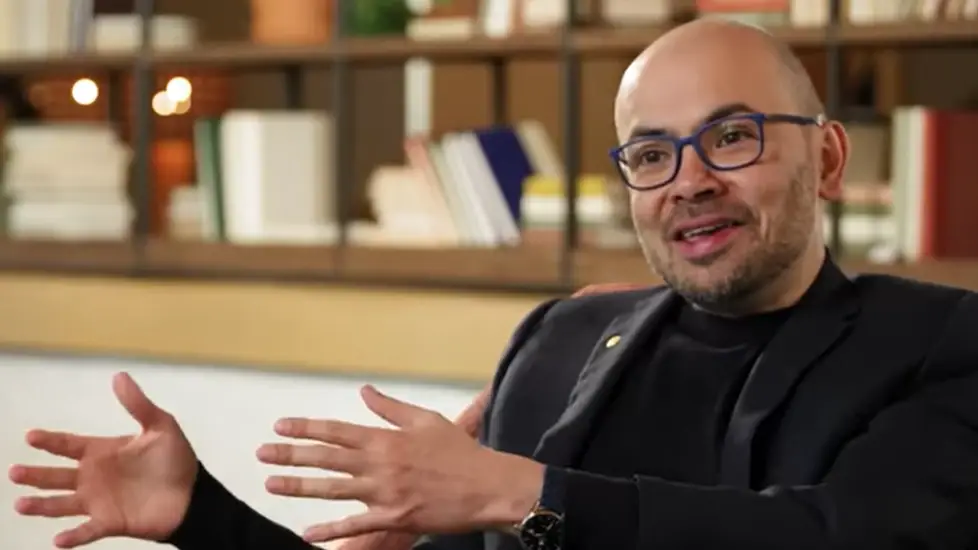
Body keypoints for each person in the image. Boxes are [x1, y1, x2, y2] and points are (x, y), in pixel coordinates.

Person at [11, 16, 978, 550]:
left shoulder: (938, 344)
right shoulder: (563, 342)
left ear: (829, 159)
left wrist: (525, 492)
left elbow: (835, 537)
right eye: (652, 153)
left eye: (732, 136)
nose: (689, 180)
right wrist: (200, 516)